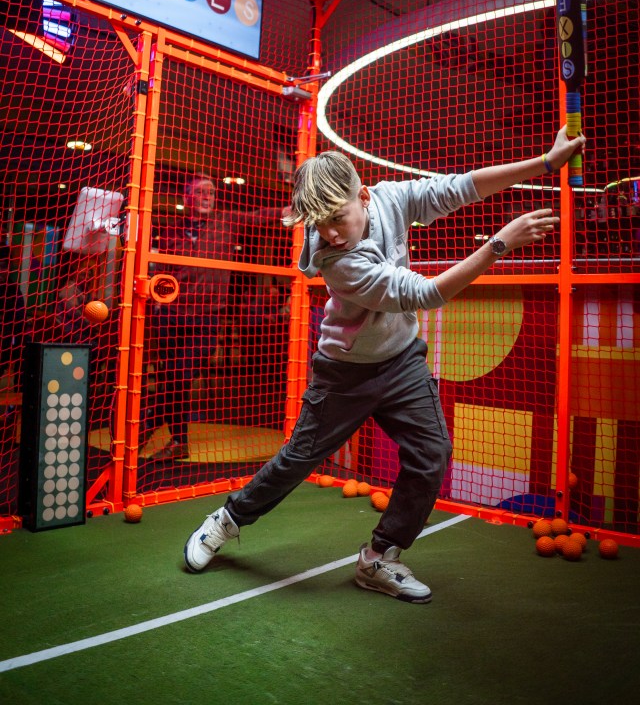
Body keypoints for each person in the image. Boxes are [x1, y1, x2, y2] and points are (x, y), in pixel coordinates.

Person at [182, 127, 585, 602]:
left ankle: (379, 558)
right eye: (319, 223)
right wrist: (498, 244)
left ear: (365, 196)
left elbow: (461, 187)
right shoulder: (336, 261)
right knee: (297, 460)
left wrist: (544, 162)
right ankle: (225, 521)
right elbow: (426, 293)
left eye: (337, 218)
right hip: (345, 372)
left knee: (432, 453)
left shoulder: (391, 199)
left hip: (401, 362)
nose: (329, 233)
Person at [141, 174, 285, 462]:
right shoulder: (170, 231)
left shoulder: (226, 222)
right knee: (170, 378)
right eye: (202, 192)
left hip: (207, 316)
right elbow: (159, 269)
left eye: (212, 192)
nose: (209, 196)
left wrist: (289, 211)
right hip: (171, 314)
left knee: (180, 375)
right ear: (188, 198)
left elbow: (259, 217)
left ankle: (147, 427)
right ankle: (173, 439)